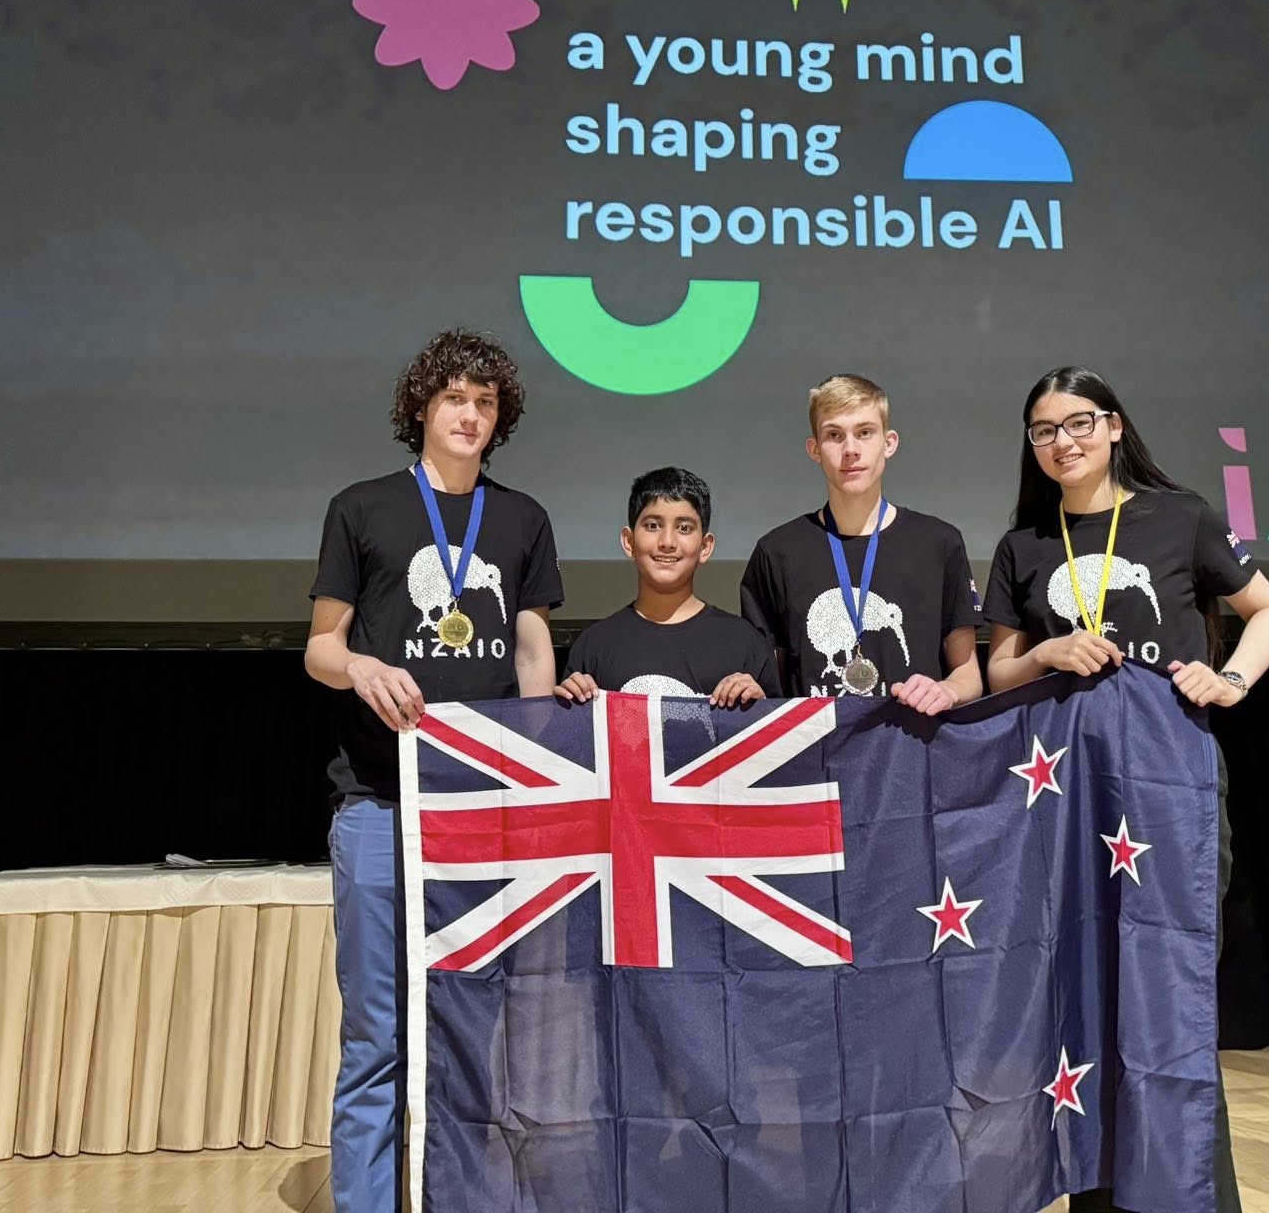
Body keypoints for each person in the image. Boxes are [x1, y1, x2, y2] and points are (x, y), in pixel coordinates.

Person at [981, 365, 1269, 1213]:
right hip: (1063, 797)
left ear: (1114, 426)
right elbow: (996, 671)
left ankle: (1191, 1193)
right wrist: (1045, 654)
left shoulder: (1179, 515)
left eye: (1078, 422)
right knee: (1081, 996)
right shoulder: (1025, 546)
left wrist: (1229, 679)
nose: (1062, 442)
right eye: (1043, 430)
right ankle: (1098, 1193)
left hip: (1167, 784)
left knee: (1169, 993)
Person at [303, 329, 564, 1213]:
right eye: (455, 397)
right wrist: (364, 668)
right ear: (422, 407)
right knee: (377, 1036)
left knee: (478, 1028)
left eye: (487, 403)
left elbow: (532, 649)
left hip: (484, 815)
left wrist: (538, 769)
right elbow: (319, 649)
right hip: (379, 805)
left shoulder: (522, 518)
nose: (471, 414)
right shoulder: (363, 507)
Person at [741, 373, 982, 712]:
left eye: (865, 432)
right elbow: (767, 683)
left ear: (889, 443)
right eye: (834, 435)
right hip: (815, 756)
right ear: (814, 449)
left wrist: (948, 691)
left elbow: (968, 673)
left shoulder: (939, 543)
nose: (851, 449)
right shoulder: (777, 552)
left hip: (909, 749)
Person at [554, 466, 780, 706]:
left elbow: (784, 736)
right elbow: (569, 739)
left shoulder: (746, 644)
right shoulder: (594, 646)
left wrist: (761, 707)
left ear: (705, 547)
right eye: (653, 525)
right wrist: (569, 706)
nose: (667, 542)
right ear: (629, 541)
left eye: (684, 528)